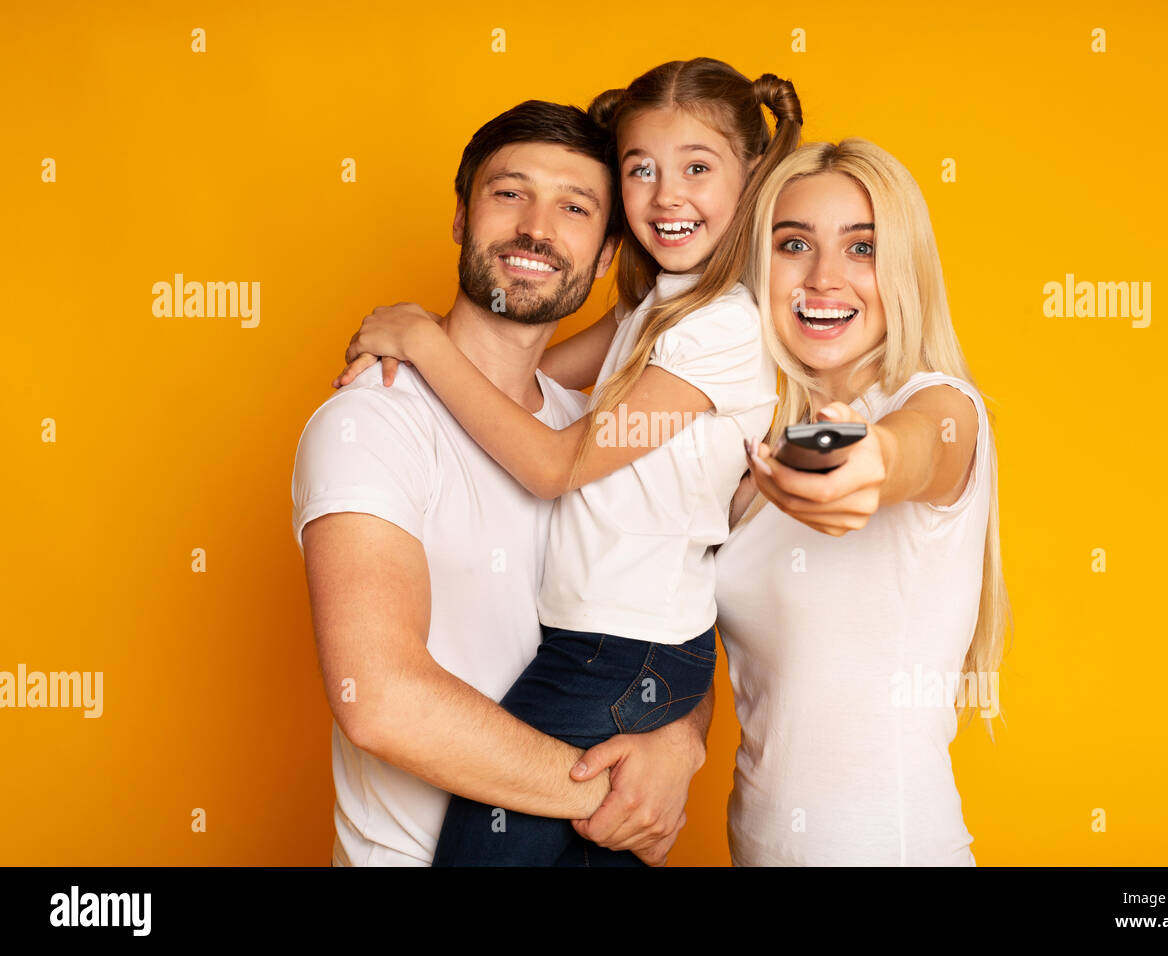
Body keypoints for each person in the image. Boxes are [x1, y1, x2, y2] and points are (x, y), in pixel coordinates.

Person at [331, 58, 802, 865]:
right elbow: (531, 380)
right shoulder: (656, 310)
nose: (668, 193)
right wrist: (429, 362)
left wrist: (420, 340)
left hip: (616, 650)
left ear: (752, 179)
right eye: (641, 170)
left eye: (698, 167)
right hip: (619, 645)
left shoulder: (720, 330)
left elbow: (553, 465)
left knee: (486, 843)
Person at [717, 138, 1013, 865]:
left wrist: (868, 457)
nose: (824, 278)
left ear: (904, 270)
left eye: (862, 248)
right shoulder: (743, 451)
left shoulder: (943, 406)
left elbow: (914, 448)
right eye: (795, 244)